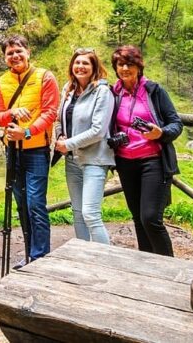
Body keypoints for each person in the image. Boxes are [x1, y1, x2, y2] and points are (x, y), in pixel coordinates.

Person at [109, 45, 183, 256]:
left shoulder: (154, 91)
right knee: (138, 218)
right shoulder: (114, 93)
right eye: (120, 64)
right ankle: (147, 265)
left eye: (129, 64)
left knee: (150, 218)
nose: (125, 69)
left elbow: (176, 124)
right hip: (125, 162)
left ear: (139, 66)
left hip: (153, 161)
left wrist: (160, 133)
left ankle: (168, 267)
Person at [0, 34, 59, 267]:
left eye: (18, 51)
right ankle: (31, 253)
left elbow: (50, 112)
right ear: (5, 58)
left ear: (28, 52)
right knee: (21, 203)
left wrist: (27, 132)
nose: (15, 56)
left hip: (36, 150)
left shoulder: (45, 77)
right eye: (9, 53)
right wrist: (13, 114)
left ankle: (40, 257)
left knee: (35, 203)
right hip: (13, 151)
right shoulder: (1, 83)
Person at [54, 49, 115, 245]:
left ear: (94, 67)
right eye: (77, 62)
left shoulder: (102, 92)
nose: (80, 66)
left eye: (86, 63)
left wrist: (67, 144)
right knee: (78, 212)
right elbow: (58, 119)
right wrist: (60, 136)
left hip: (95, 159)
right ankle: (84, 256)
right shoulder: (68, 89)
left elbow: (98, 130)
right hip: (72, 159)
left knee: (90, 213)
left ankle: (105, 259)